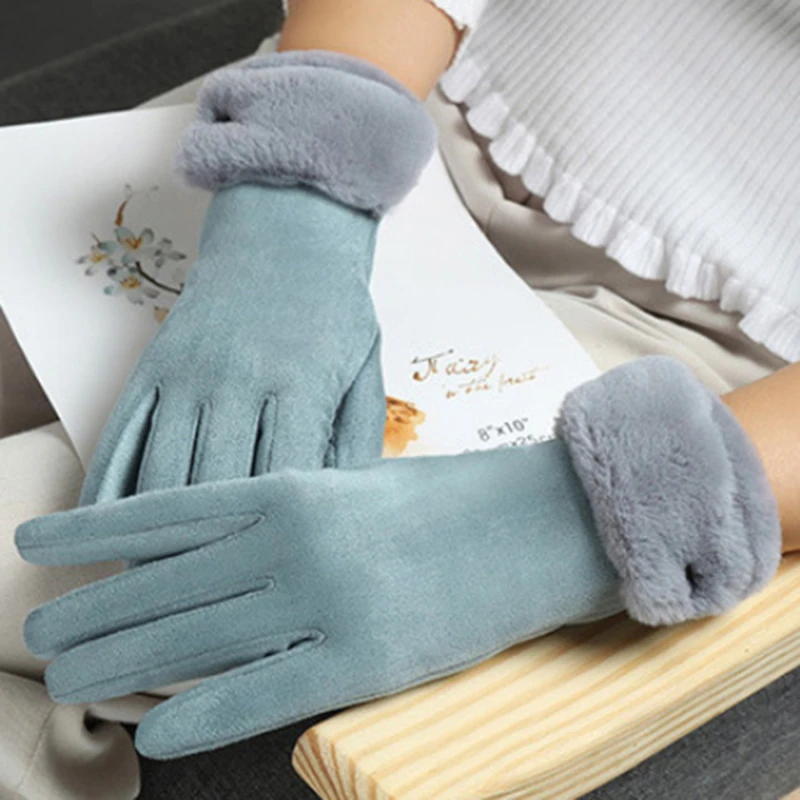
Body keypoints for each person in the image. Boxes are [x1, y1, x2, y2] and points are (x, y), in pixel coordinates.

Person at [2, 0, 799, 797]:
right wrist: (298, 195)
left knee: (49, 568)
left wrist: (581, 515)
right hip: (403, 88)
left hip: (707, 368)